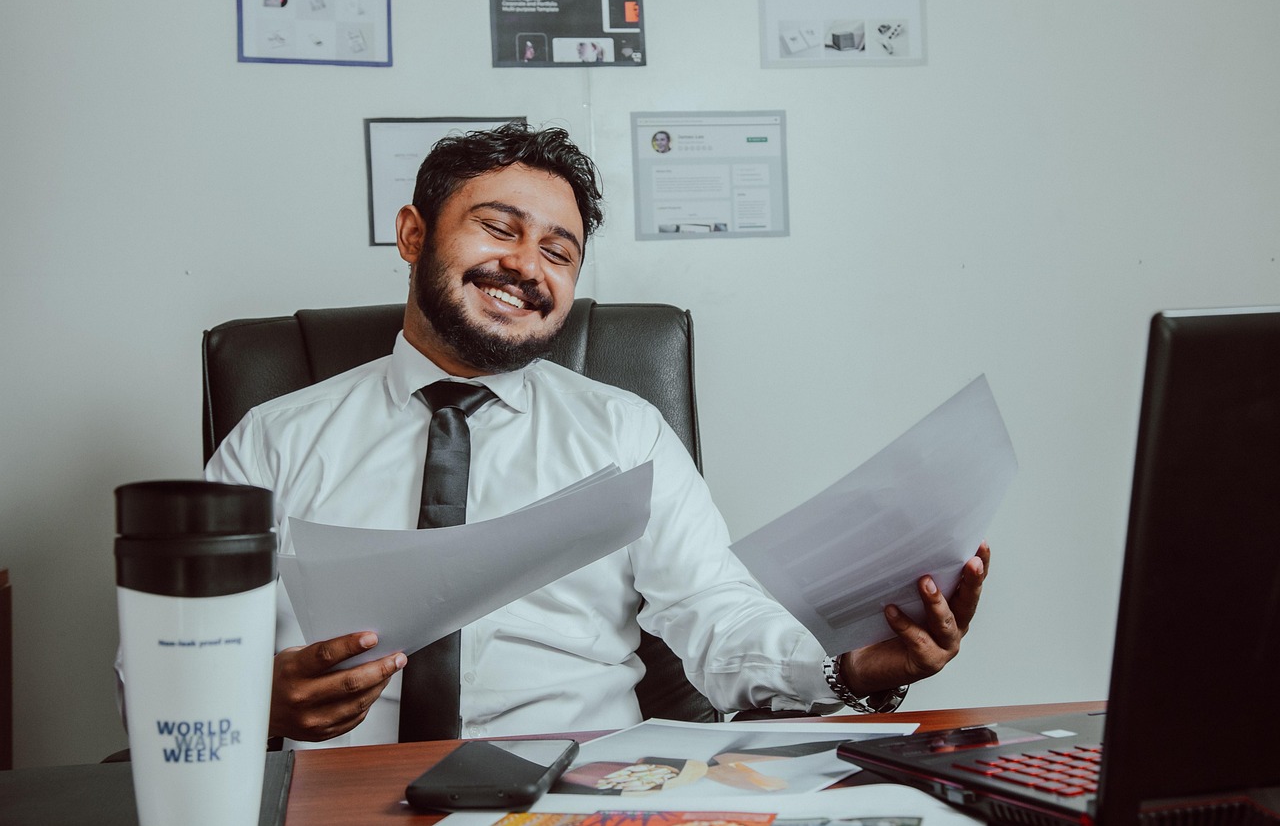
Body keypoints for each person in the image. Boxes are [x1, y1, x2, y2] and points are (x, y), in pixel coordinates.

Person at [205, 122, 990, 749]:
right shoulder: (272, 442)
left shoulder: (626, 432)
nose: (526, 266)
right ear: (413, 235)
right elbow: (165, 662)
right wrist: (253, 701)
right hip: (347, 794)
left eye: (559, 250)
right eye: (497, 228)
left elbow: (717, 615)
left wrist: (847, 668)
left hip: (583, 791)